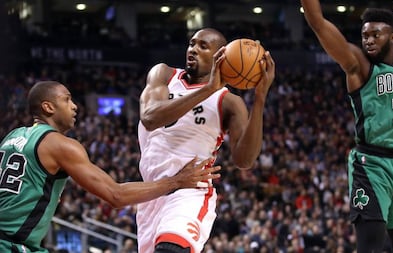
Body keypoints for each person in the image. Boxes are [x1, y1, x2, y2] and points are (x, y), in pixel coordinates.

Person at [0, 81, 221, 253]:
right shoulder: (60, 145)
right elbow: (116, 195)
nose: (74, 106)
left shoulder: (12, 137)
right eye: (67, 100)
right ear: (48, 107)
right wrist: (177, 181)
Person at [136, 27, 275, 253]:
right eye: (192, 43)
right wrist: (209, 87)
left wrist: (260, 98)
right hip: (150, 194)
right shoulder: (163, 74)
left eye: (203, 46)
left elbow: (244, 161)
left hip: (190, 193)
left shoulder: (229, 102)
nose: (193, 49)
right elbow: (150, 118)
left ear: (221, 55)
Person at [300, 1, 393, 252]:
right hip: (373, 164)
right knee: (370, 247)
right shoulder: (359, 65)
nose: (369, 40)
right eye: (365, 35)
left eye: (376, 34)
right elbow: (317, 23)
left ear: (392, 36)